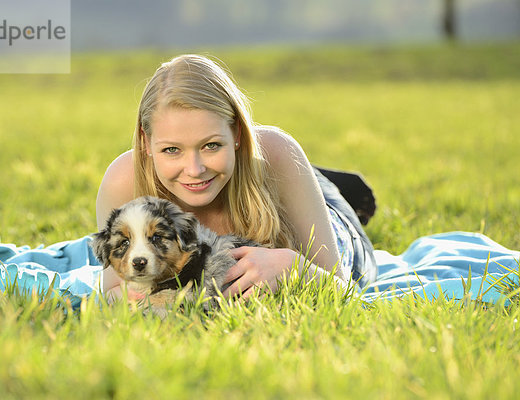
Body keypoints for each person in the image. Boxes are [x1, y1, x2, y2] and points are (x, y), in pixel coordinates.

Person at [96, 54, 376, 302]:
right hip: (246, 167)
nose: (194, 169)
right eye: (172, 150)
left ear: (237, 133)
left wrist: (294, 267)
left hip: (332, 226)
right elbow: (111, 292)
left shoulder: (277, 153)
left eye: (211, 145)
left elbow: (344, 290)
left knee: (319, 191)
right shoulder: (124, 181)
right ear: (146, 142)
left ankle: (321, 183)